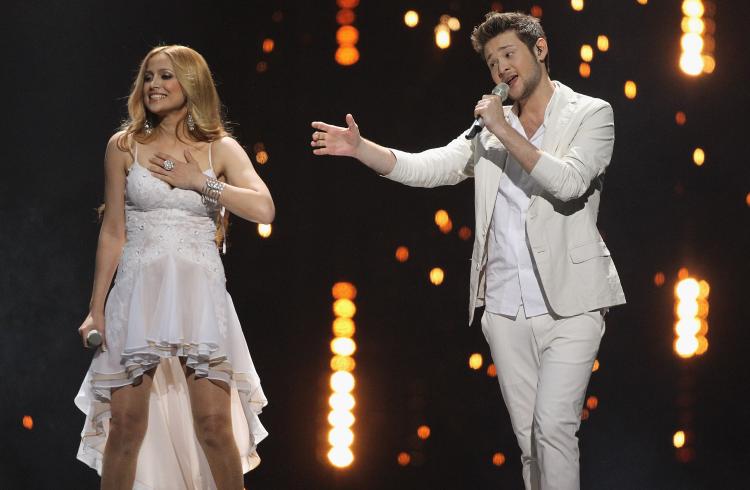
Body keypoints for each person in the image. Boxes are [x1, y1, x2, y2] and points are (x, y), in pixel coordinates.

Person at [310, 11, 625, 490]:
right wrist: (361, 149)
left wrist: (503, 130)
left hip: (572, 303)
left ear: (539, 50)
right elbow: (430, 166)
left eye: (508, 54)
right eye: (492, 61)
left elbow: (569, 182)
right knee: (529, 441)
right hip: (503, 304)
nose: (500, 68)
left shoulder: (590, 113)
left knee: (554, 427)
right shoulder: (489, 130)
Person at [75, 45, 274, 490]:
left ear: (191, 84)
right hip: (138, 293)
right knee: (125, 428)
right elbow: (112, 232)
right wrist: (97, 309)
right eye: (148, 77)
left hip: (197, 295)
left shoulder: (219, 148)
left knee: (213, 427)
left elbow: (264, 209)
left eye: (166, 76)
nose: (154, 86)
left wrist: (200, 182)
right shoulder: (123, 146)